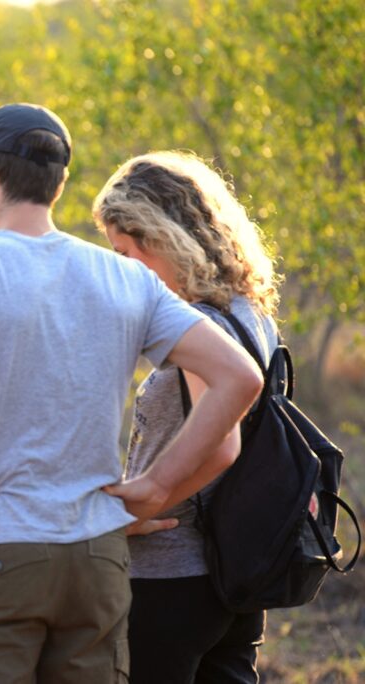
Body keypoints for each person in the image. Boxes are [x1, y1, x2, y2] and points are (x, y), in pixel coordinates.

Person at [0, 103, 264, 683]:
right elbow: (241, 378)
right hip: (96, 558)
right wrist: (154, 488)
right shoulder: (125, 277)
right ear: (58, 184)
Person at [92, 151, 281, 683]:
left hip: (172, 574)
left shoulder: (199, 323)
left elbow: (224, 446)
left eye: (127, 251)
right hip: (236, 569)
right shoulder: (249, 311)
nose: (124, 268)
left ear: (164, 237)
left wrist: (141, 500)